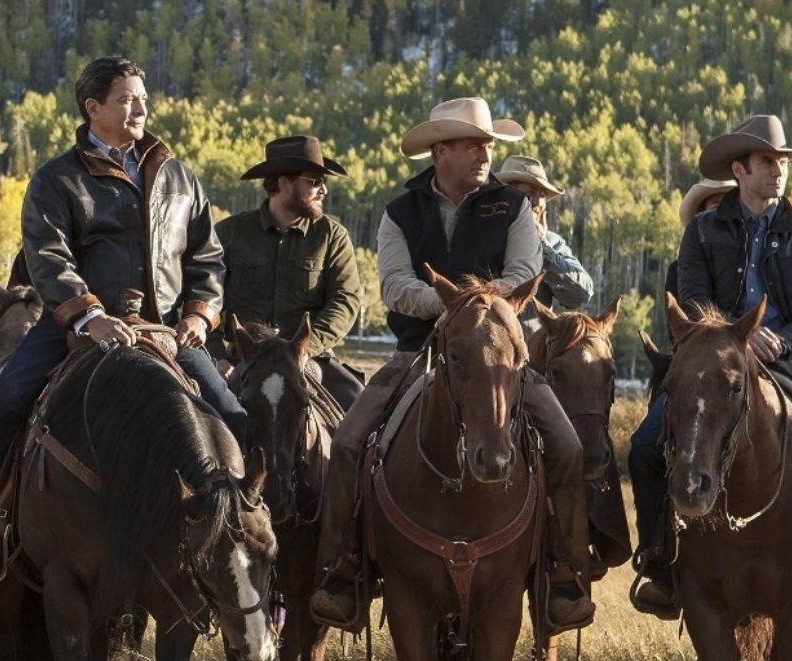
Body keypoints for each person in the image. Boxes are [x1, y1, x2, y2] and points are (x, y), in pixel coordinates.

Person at [307, 97, 595, 632]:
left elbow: (524, 273)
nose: (486, 153)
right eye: (473, 144)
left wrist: (471, 312)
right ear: (441, 151)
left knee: (568, 445)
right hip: (415, 350)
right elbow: (394, 286)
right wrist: (451, 310)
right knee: (348, 443)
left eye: (489, 144)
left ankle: (564, 572)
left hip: (501, 358)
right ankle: (342, 569)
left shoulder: (512, 206)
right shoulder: (401, 211)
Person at [0, 56, 248, 581]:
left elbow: (207, 259)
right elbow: (48, 256)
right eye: (126, 99)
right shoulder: (56, 179)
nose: (140, 107)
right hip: (78, 325)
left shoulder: (180, 177)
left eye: (142, 97)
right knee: (0, 401)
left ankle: (239, 537)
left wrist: (200, 316)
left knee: (235, 416)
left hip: (168, 331)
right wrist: (88, 314)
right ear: (93, 108)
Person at [629, 115, 792, 617]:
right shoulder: (702, 234)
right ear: (739, 170)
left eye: (783, 162)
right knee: (644, 446)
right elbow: (693, 297)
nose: (779, 171)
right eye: (767, 162)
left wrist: (783, 340)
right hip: (716, 358)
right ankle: (659, 559)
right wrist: (734, 339)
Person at [211, 135, 364, 408]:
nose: (324, 191)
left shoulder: (332, 236)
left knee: (360, 412)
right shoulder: (230, 233)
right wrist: (216, 356)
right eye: (314, 181)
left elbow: (345, 301)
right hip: (242, 359)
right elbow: (204, 297)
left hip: (311, 357)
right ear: (283, 183)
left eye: (323, 182)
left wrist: (307, 347)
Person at [494, 155, 592, 320]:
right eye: (530, 193)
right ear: (506, 196)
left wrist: (543, 249)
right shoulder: (482, 234)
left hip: (532, 344)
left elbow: (581, 295)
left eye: (542, 195)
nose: (538, 202)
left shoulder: (553, 242)